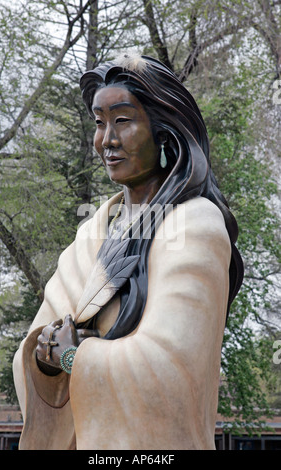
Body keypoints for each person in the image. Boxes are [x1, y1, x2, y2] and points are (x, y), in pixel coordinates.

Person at [13, 53, 244, 450]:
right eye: (99, 124)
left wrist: (75, 359)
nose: (107, 140)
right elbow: (34, 348)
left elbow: (170, 372)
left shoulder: (195, 225)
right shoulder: (92, 234)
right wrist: (44, 357)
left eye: (122, 121)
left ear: (163, 129)